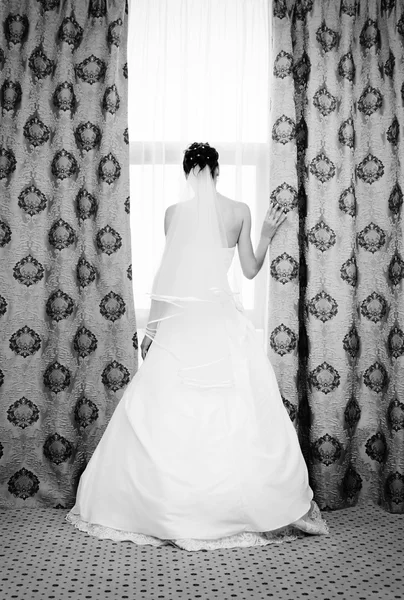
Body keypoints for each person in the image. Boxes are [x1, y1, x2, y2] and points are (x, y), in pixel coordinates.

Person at [66, 142, 328, 551]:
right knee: (236, 407)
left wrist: (152, 332)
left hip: (183, 323)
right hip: (220, 317)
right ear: (217, 171)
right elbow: (249, 269)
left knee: (169, 406)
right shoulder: (239, 210)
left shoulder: (174, 214)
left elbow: (168, 277)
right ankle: (238, 504)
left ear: (188, 174)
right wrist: (266, 234)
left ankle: (169, 505)